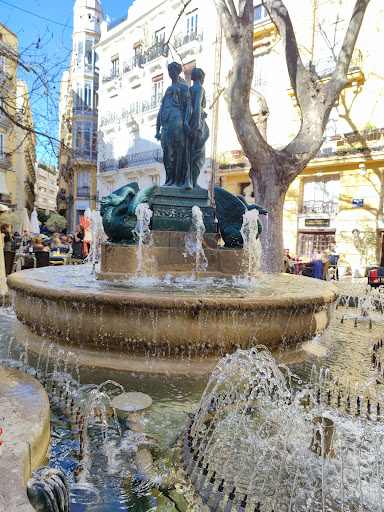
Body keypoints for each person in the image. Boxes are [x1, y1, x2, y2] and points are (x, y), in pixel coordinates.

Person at [155, 61, 192, 188]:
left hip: (177, 120)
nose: (171, 73)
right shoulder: (168, 90)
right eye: (169, 71)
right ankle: (169, 179)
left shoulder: (183, 87)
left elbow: (188, 106)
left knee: (177, 153)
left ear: (178, 72)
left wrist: (186, 122)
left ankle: (177, 180)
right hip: (165, 125)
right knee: (167, 154)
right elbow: (160, 110)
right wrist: (157, 128)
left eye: (173, 71)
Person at [189, 68, 209, 188]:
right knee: (199, 155)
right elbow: (197, 106)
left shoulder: (189, 89)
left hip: (190, 122)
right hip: (198, 124)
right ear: (202, 77)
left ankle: (190, 181)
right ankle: (194, 183)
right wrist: (197, 124)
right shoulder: (199, 89)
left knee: (191, 154)